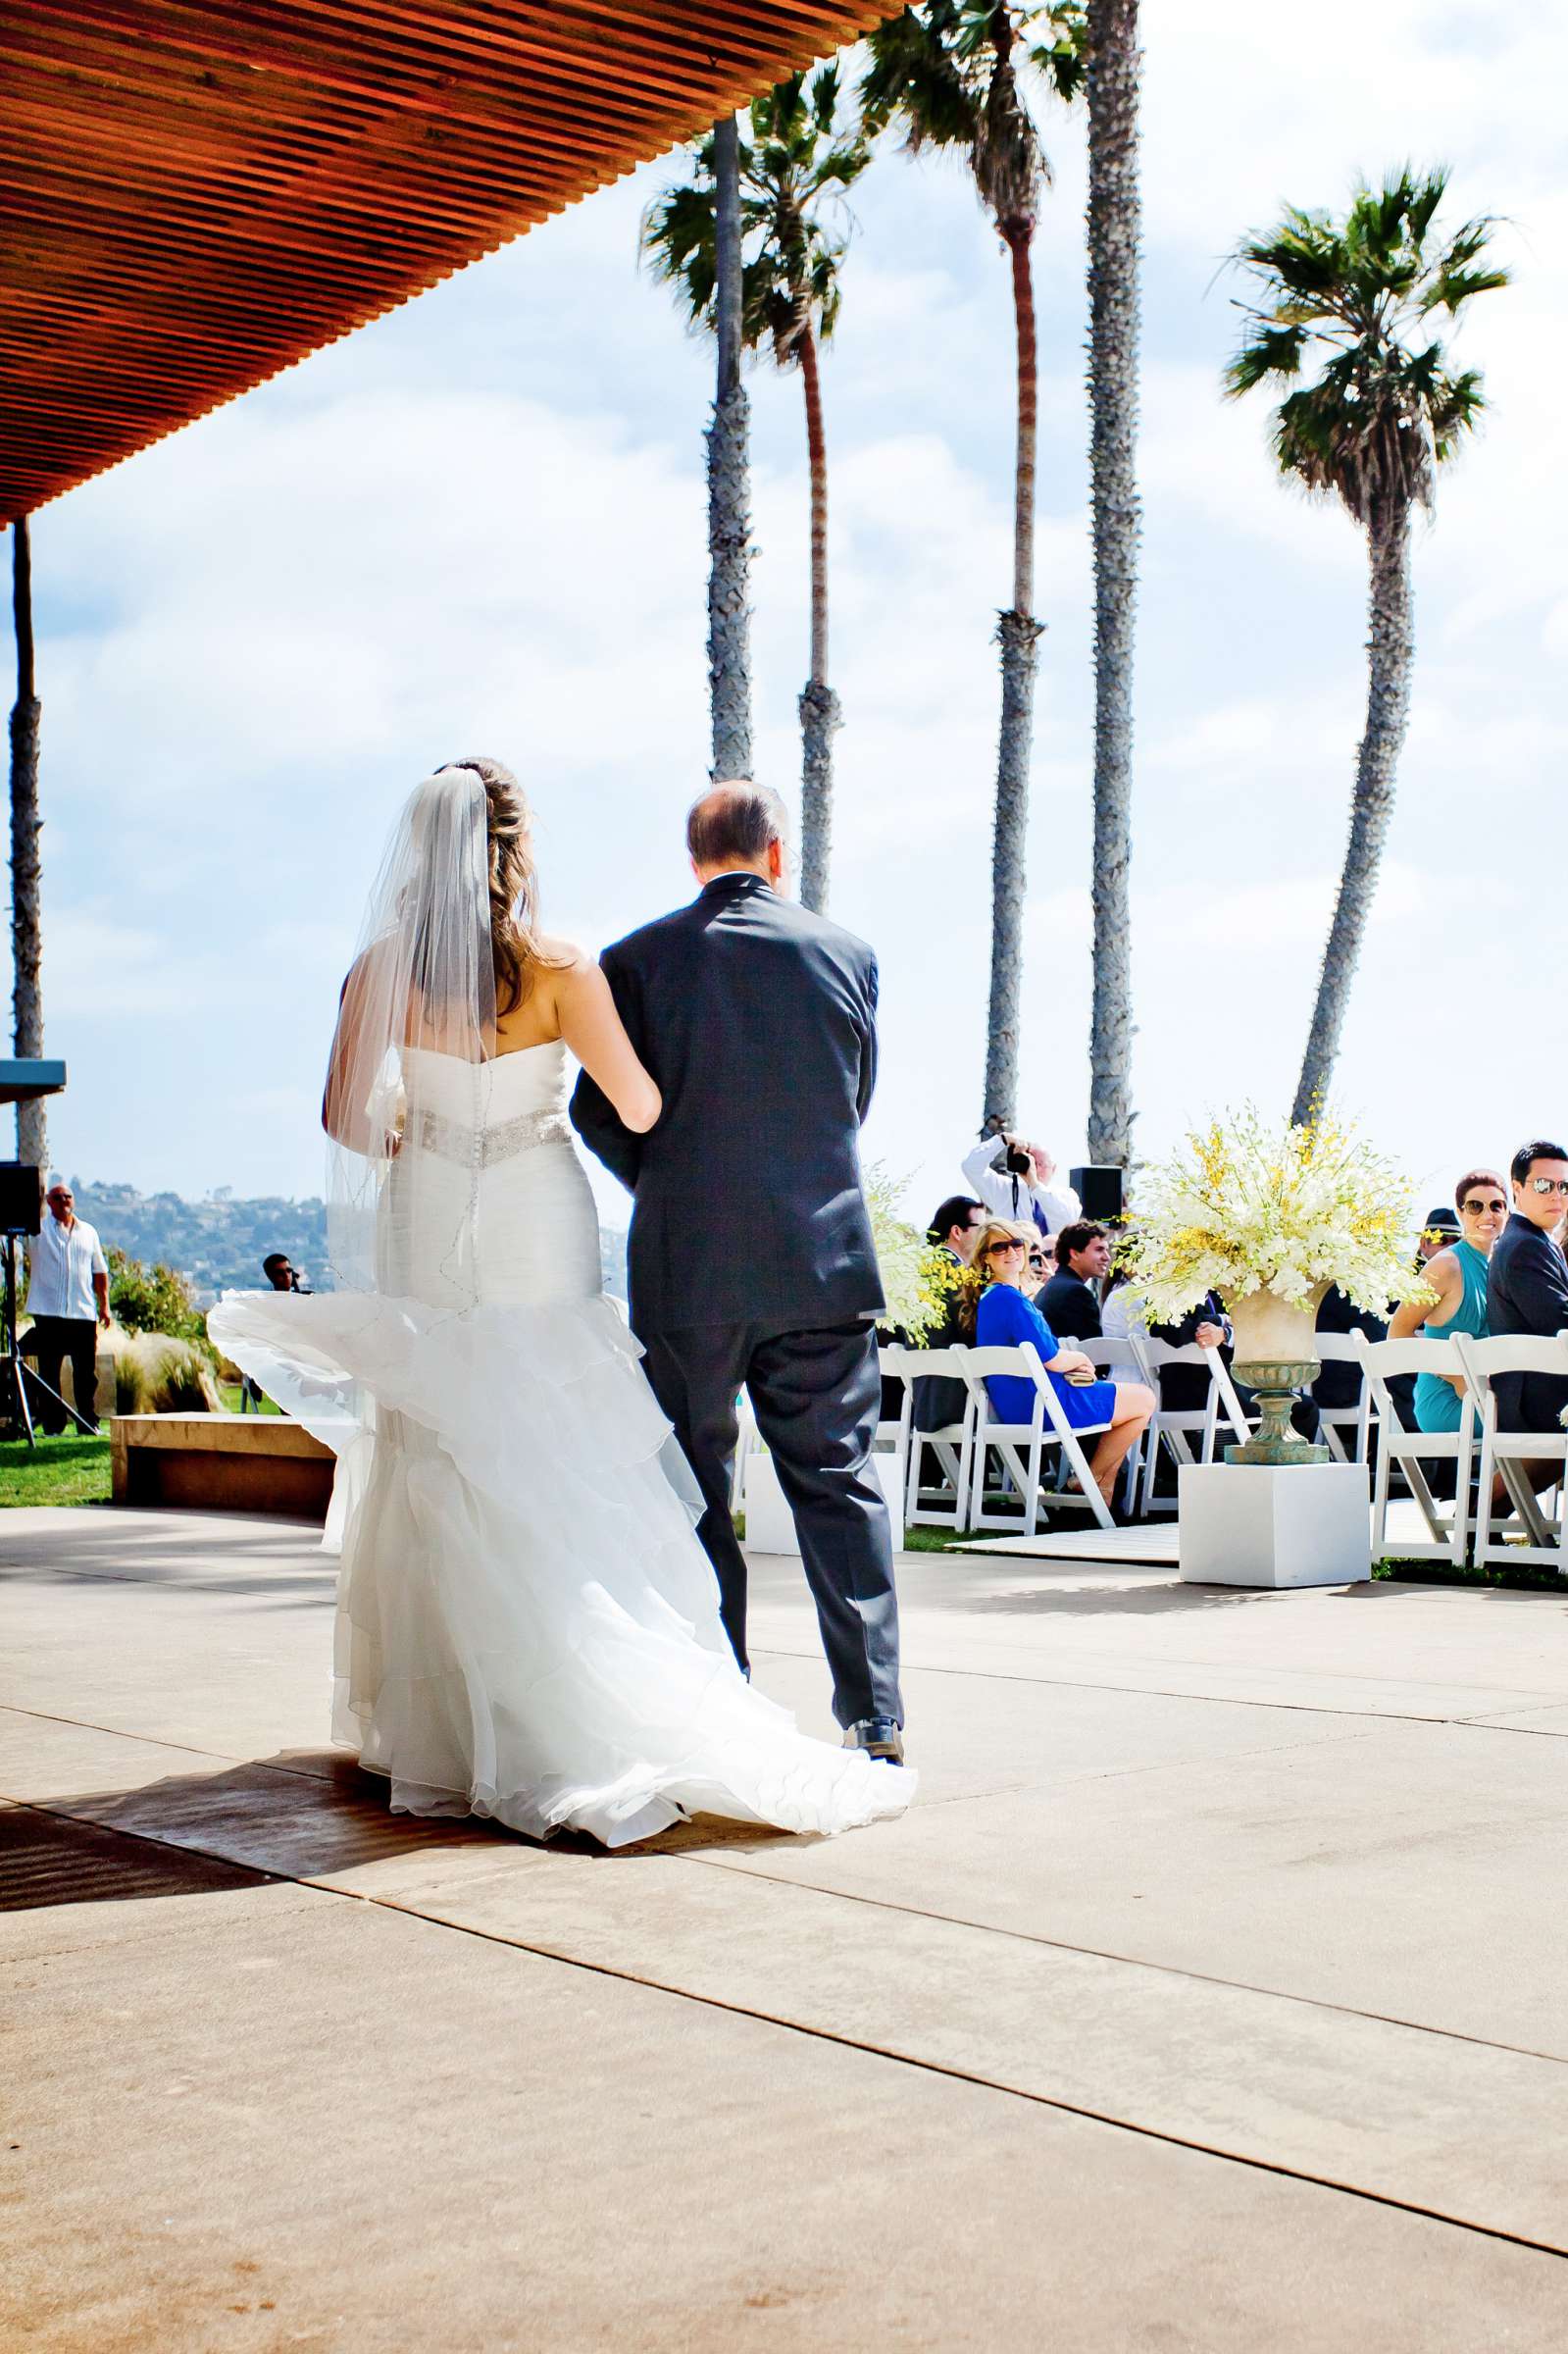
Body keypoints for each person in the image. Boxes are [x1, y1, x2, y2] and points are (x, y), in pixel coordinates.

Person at [211, 760, 910, 1849]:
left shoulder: (387, 970)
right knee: (585, 1444)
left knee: (446, 1438)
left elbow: (350, 1117)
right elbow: (642, 1098)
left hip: (444, 1215)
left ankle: (451, 1724)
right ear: (513, 851)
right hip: (587, 1223)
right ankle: (809, 1712)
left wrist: (425, 1132)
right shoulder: (569, 965)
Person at [573, 778, 911, 1772]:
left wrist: (674, 1185)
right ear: (777, 854)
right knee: (839, 1488)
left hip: (687, 1270)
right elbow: (850, 1098)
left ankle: (725, 1702)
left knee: (693, 1490)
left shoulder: (633, 961)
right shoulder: (846, 954)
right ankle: (876, 1717)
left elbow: (599, 1111)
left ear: (693, 860)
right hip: (822, 1261)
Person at [963, 1220, 1152, 1512]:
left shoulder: (990, 1299)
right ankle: (1090, 1479)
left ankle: (1103, 1487)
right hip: (1046, 1405)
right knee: (1145, 1399)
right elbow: (1050, 1357)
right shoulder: (1011, 1300)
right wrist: (1081, 1359)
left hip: (1017, 1405)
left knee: (1130, 1403)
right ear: (985, 1257)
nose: (1011, 1252)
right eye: (999, 1247)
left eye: (1016, 1244)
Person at [1389, 1171, 1504, 1432]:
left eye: (1496, 1205)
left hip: (1487, 1396)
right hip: (1448, 1401)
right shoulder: (1445, 1265)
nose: (1487, 1215)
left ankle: (1501, 1476)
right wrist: (1457, 1377)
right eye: (1475, 1206)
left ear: (1507, 1213)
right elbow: (1397, 1333)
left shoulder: (1499, 1264)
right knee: (1537, 1421)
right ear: (1461, 1213)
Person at [1482, 1140, 1568, 1441]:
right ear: (1517, 1190)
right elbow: (1560, 1322)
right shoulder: (1524, 1246)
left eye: (1564, 1186)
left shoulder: (1537, 1240)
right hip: (1535, 1400)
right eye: (1544, 1185)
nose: (1557, 1195)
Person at [25, 1179, 110, 1434]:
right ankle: (54, 1424)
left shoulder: (88, 1232)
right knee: (50, 1370)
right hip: (49, 1312)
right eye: (58, 1198)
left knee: (85, 1373)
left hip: (82, 1311)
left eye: (68, 1197)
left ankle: (87, 1422)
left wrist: (104, 1305)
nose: (64, 1202)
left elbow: (99, 1271)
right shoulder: (37, 1231)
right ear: (49, 1202)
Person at [910, 1195, 985, 1435]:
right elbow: (971, 1330)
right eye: (980, 1228)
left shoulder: (919, 1269)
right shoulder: (954, 1274)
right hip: (956, 1398)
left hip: (923, 1395)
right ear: (957, 1231)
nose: (986, 1235)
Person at [961, 1131, 1081, 1240]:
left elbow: (1067, 1222)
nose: (1035, 1168)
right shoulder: (1004, 1189)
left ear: (1053, 1169)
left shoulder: (1065, 1195)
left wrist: (1035, 1186)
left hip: (1052, 1261)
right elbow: (971, 1166)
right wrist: (1002, 1140)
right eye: (1032, 1162)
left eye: (1040, 1164)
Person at [1037, 1220, 1110, 1342]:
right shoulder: (1076, 1292)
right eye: (1099, 1249)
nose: (1106, 1257)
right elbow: (1095, 1353)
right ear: (1075, 1254)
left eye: (1106, 1250)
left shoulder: (1054, 1285)